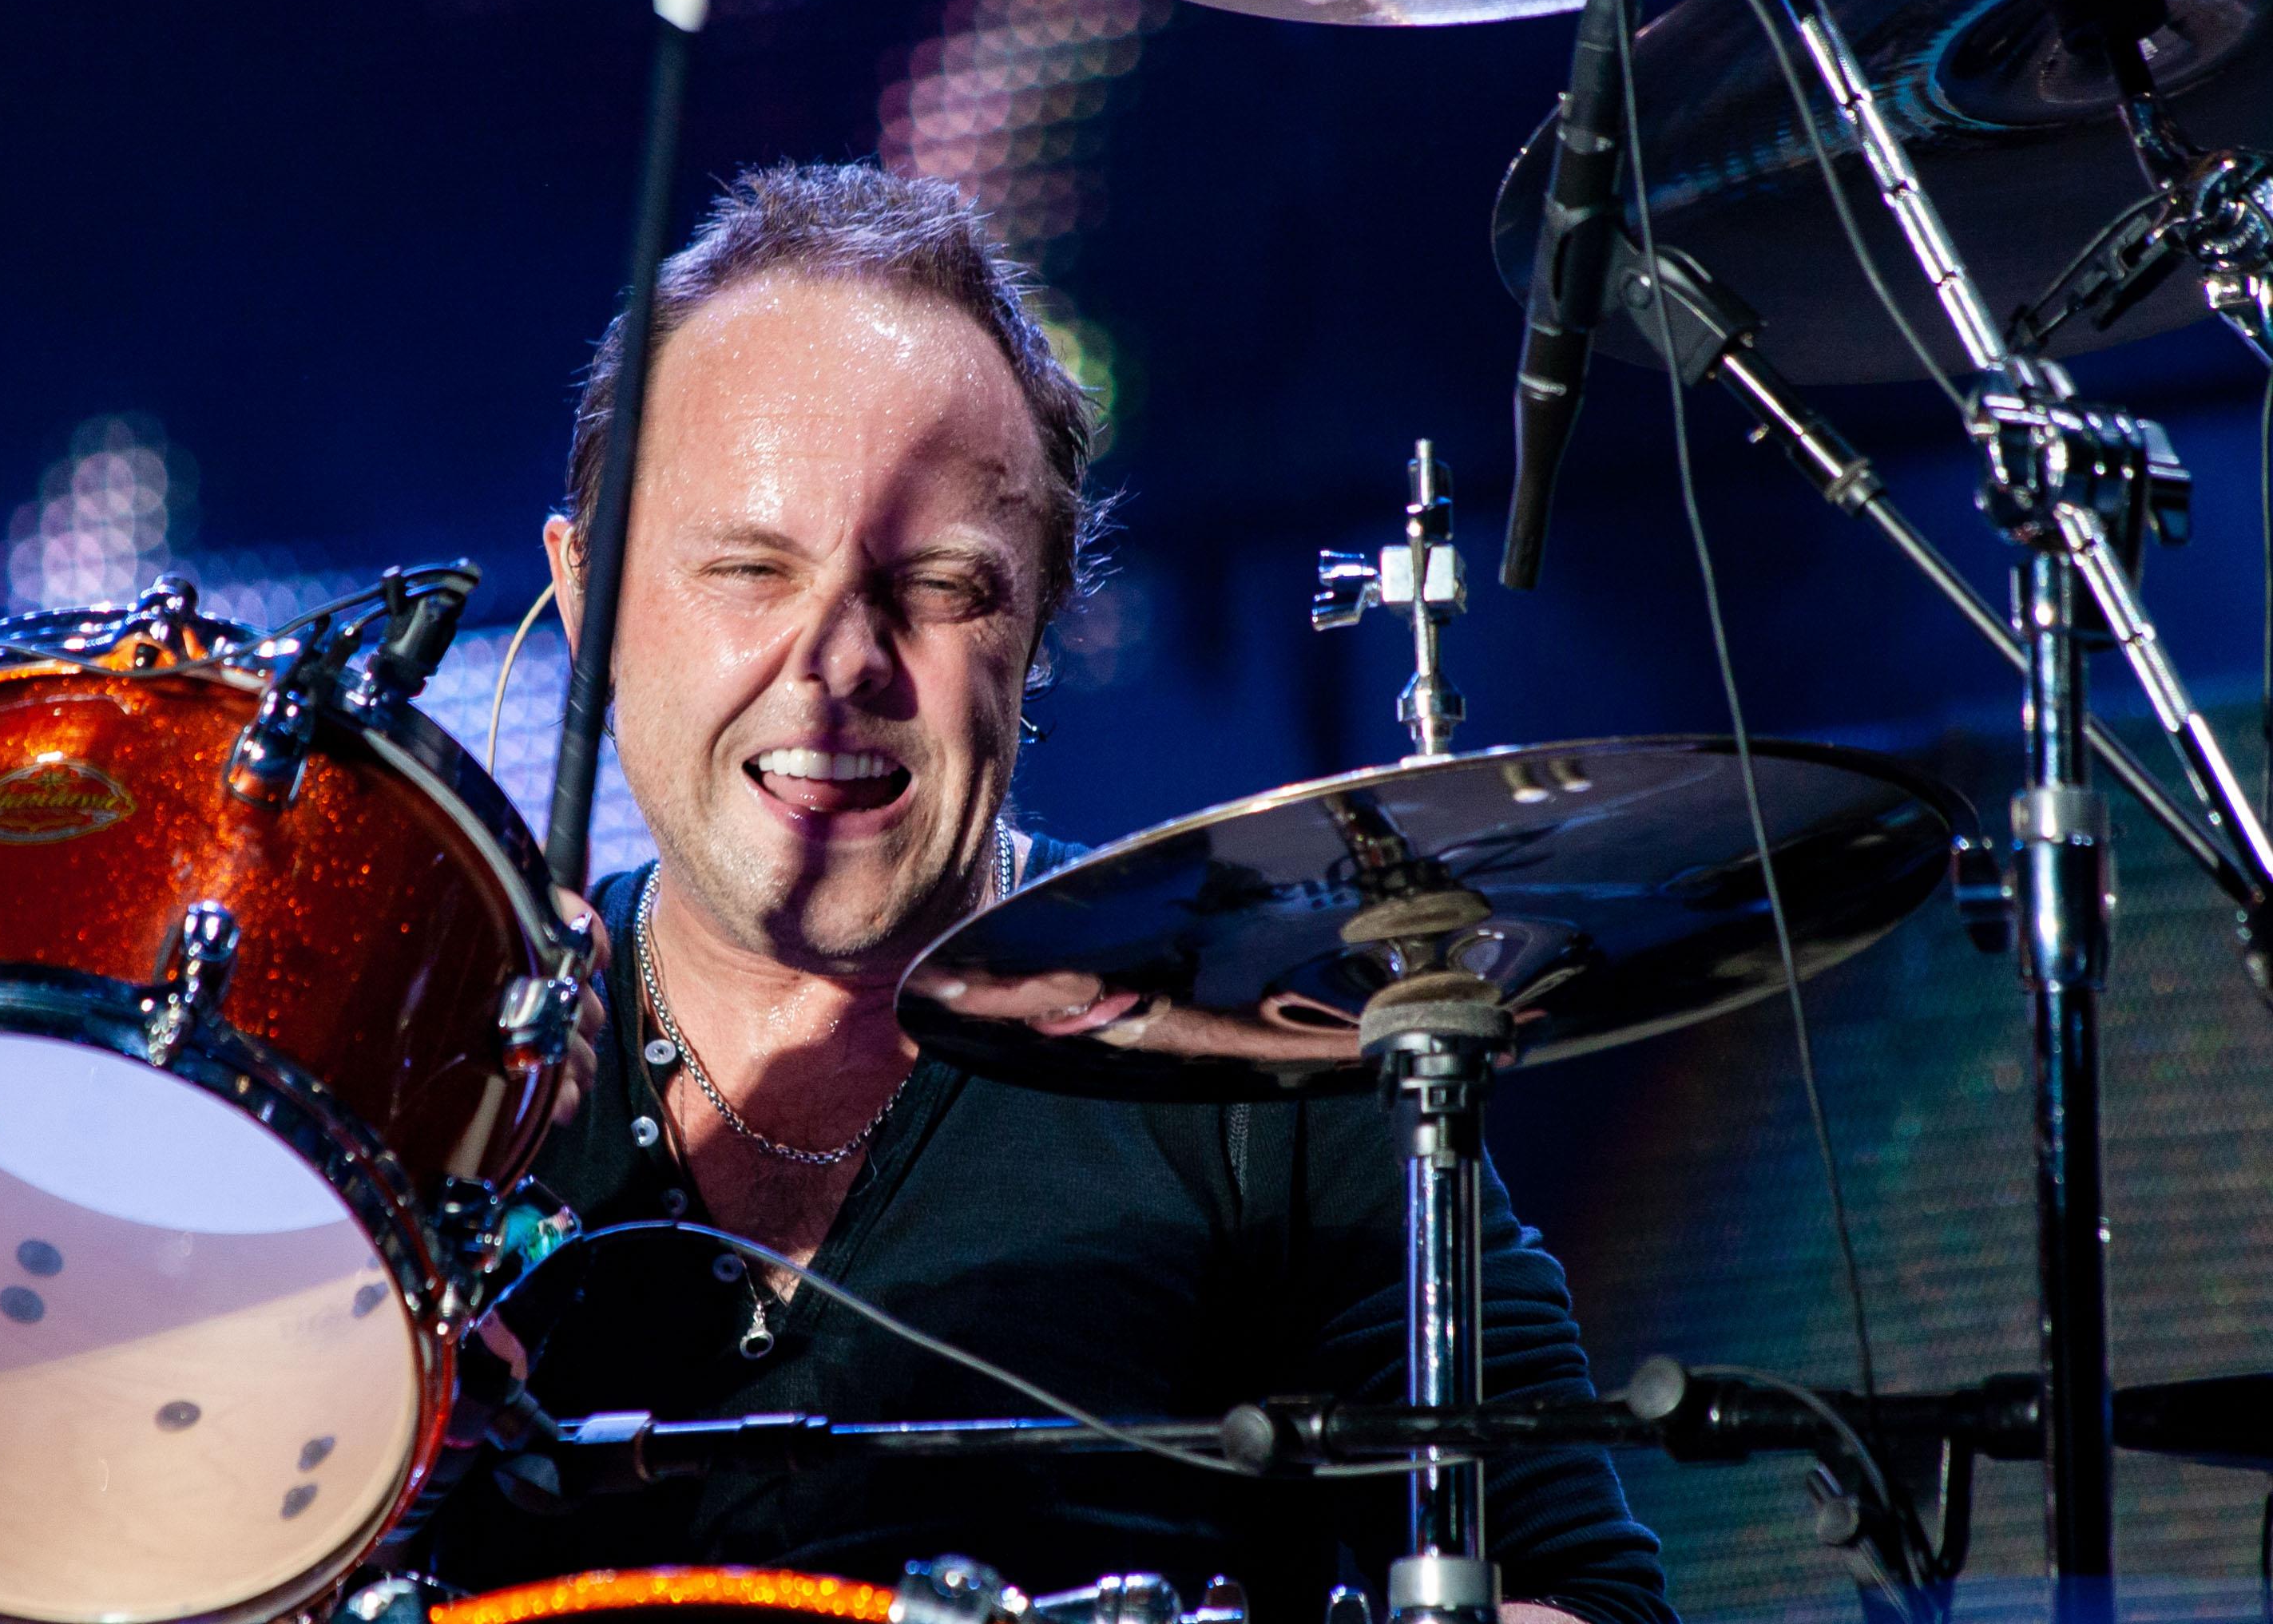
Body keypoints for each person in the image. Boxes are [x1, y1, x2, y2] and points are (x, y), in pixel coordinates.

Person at [424, 162, 1670, 1624]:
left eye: (941, 587)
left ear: (1044, 621)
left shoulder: (1257, 1062)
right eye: (751, 569)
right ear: (585, 598)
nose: (840, 662)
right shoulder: (424, 1092)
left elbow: (1585, 1601)